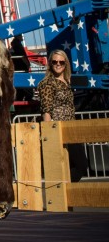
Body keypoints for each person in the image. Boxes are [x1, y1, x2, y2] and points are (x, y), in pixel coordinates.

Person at [37, 49, 87, 181]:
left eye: (61, 62)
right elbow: (46, 110)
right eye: (54, 62)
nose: (58, 64)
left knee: (73, 166)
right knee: (81, 165)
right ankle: (61, 188)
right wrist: (48, 134)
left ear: (66, 64)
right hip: (58, 129)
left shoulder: (67, 81)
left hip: (71, 128)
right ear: (50, 64)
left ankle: (66, 195)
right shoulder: (47, 83)